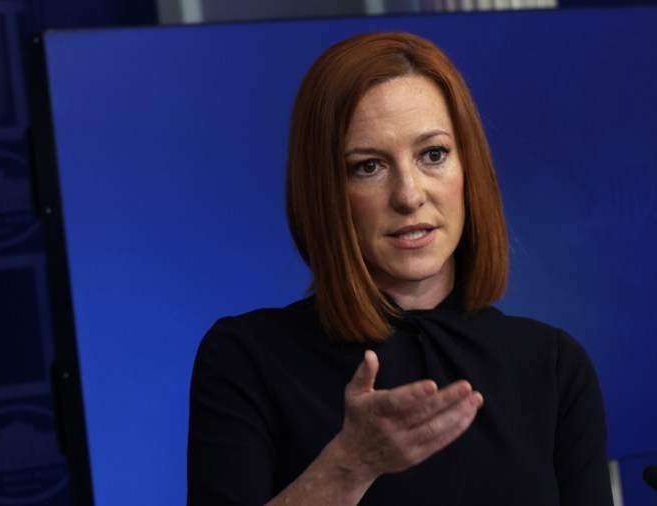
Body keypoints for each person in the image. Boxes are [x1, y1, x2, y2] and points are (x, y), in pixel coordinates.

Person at [187, 31, 613, 505]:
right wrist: (349, 465)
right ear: (324, 192)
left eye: (433, 155)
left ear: (467, 167)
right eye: (369, 166)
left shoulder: (553, 365)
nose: (409, 196)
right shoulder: (246, 359)